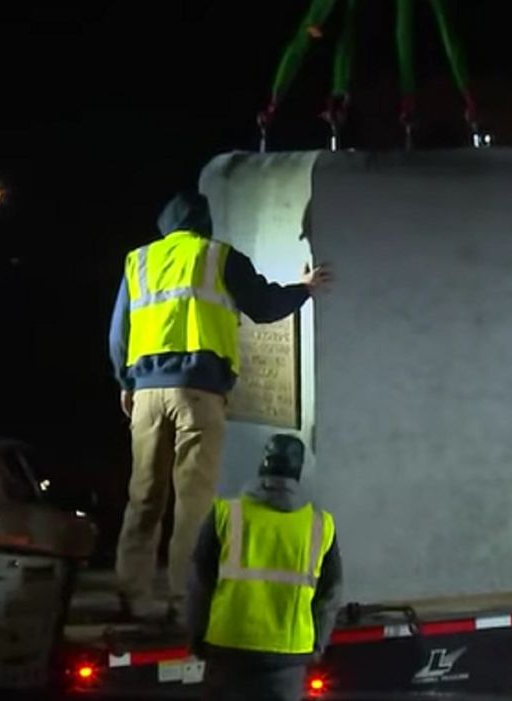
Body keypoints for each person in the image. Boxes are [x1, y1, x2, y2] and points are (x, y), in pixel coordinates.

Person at [109, 190, 331, 620]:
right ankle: (182, 598)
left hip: (146, 394)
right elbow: (264, 306)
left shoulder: (138, 262)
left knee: (143, 496)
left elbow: (119, 333)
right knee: (193, 500)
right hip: (198, 392)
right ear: (205, 223)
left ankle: (131, 592)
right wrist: (304, 289)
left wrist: (125, 381)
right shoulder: (218, 257)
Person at [186, 434, 342, 701]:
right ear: (298, 471)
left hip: (228, 646)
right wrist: (316, 645)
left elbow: (199, 583)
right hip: (288, 652)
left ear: (263, 465)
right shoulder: (319, 524)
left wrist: (198, 638)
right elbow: (331, 593)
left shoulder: (226, 512)